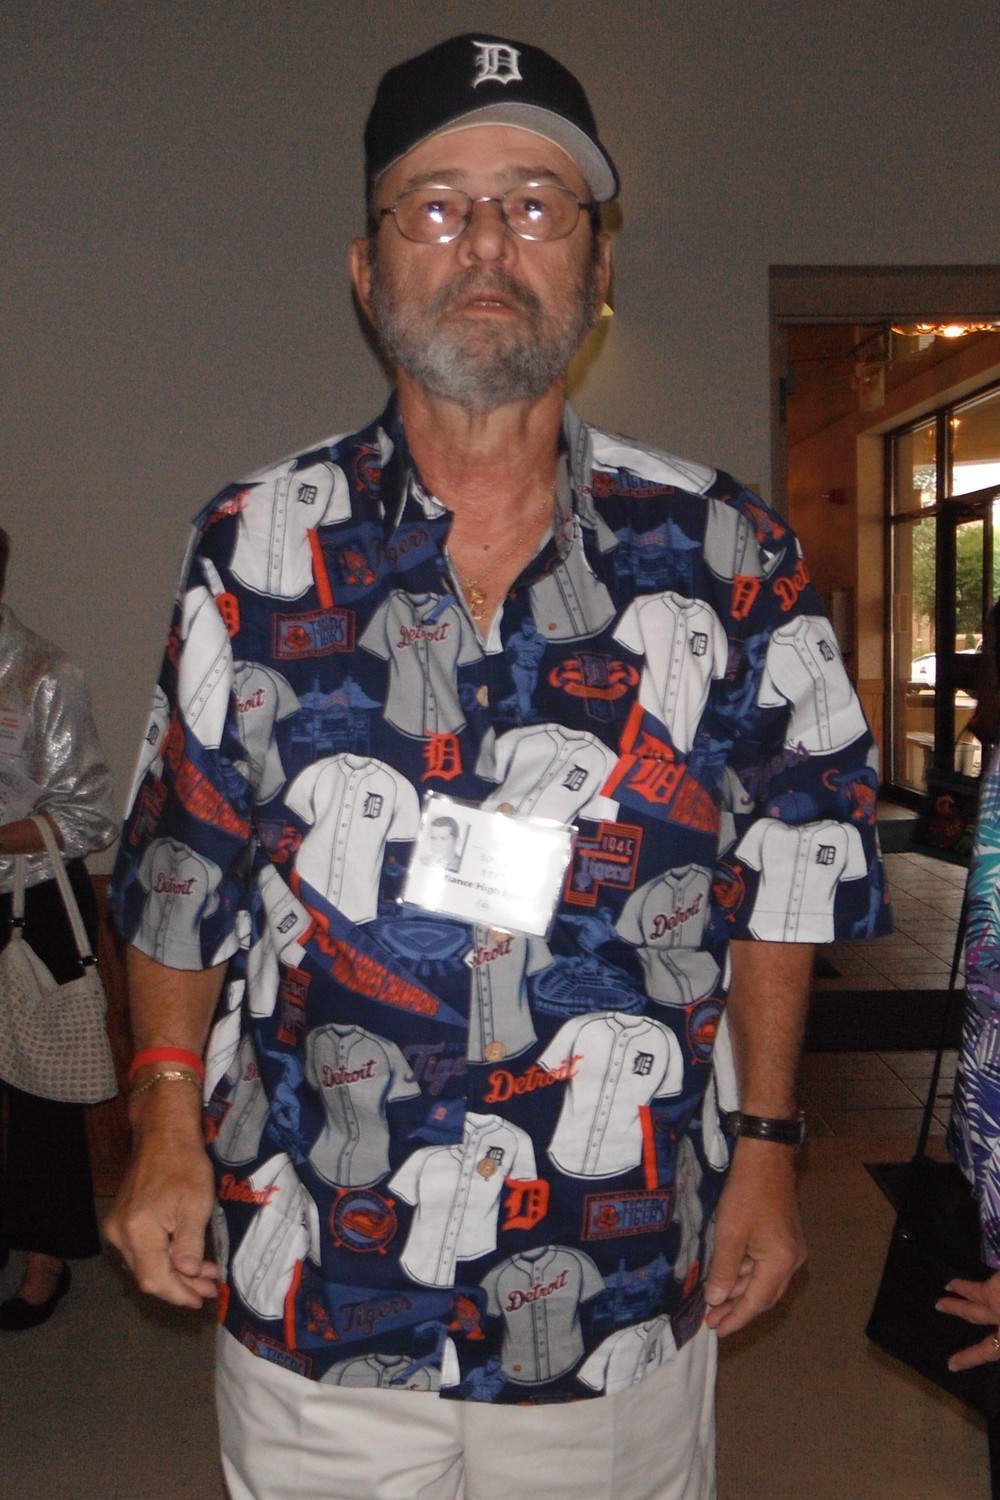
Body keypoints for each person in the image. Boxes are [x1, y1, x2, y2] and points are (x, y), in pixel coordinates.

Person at [105, 33, 890, 1500]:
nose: (484, 243)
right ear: (368, 269)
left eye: (534, 204)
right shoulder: (252, 546)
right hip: (318, 1268)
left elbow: (789, 871)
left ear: (598, 268)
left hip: (614, 1274)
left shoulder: (728, 555)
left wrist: (772, 1146)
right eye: (437, 205)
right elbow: (177, 863)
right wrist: (159, 1118)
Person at [0, 526, 116, 1330]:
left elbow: (87, 818)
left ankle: (47, 1261)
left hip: (36, 901)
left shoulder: (46, 674)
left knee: (42, 1092)